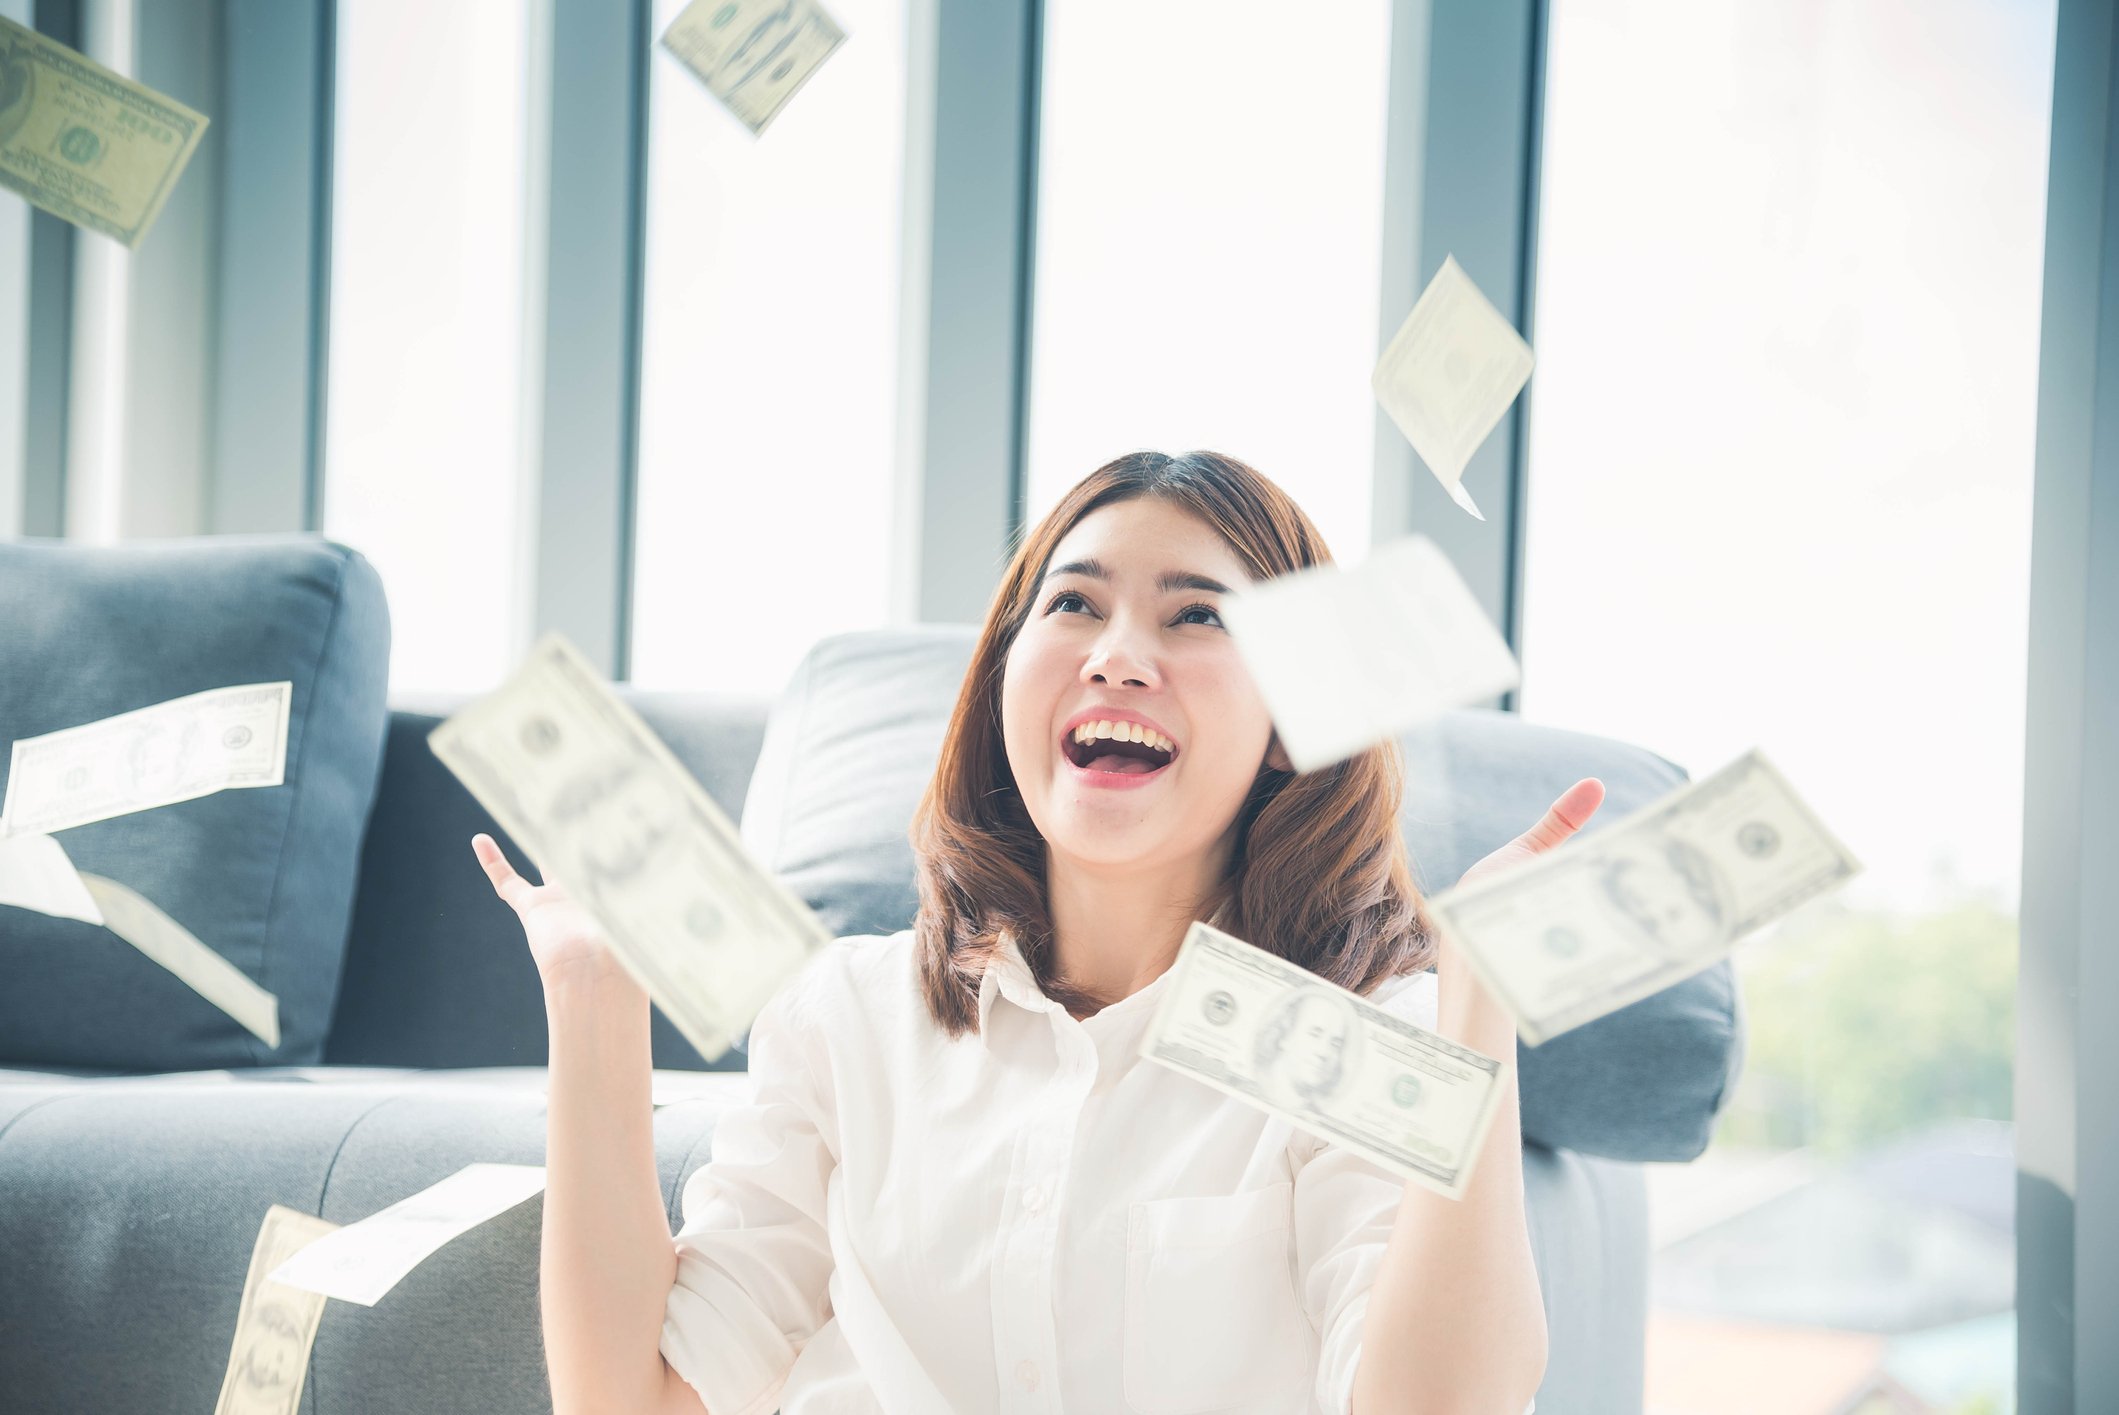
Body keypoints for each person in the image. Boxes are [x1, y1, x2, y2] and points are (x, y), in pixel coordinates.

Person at [474, 450, 1598, 1414]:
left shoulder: (1356, 1040)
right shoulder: (847, 1012)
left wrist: (1475, 1019)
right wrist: (592, 991)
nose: (1117, 654)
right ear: (1005, 676)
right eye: (1073, 605)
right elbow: (637, 1401)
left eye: (1196, 614)